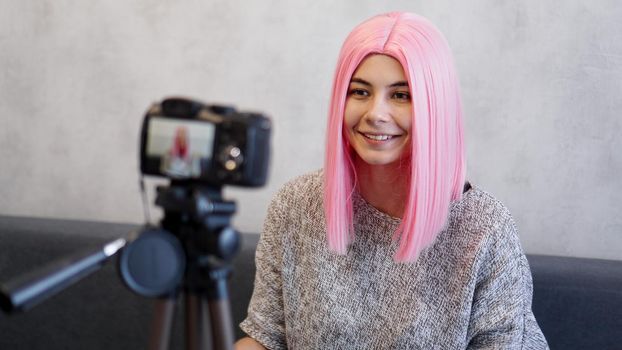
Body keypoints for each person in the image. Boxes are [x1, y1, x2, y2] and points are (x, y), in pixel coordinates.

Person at [235, 12, 549, 349]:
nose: (375, 114)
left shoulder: (485, 229)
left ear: (435, 106)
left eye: (401, 96)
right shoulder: (296, 205)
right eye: (360, 92)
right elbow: (264, 338)